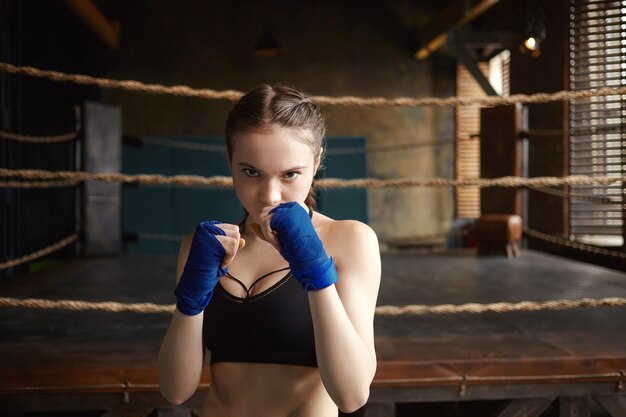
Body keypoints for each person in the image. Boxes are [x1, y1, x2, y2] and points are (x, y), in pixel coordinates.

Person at [158, 84, 381, 416]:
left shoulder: (349, 239)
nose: (270, 195)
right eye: (251, 172)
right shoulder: (205, 246)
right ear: (230, 160)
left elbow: (351, 395)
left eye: (290, 174)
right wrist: (190, 301)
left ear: (316, 160)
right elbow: (176, 391)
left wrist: (316, 270)